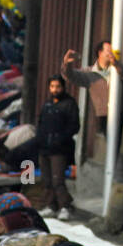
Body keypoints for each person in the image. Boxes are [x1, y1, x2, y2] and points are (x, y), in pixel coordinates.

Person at [61, 40, 123, 161]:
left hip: (122, 111)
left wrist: (116, 64)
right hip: (104, 114)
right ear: (100, 53)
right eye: (108, 51)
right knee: (114, 146)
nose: (111, 54)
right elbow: (70, 76)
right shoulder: (90, 73)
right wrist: (67, 64)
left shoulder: (117, 68)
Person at [35, 74, 80, 219]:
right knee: (46, 180)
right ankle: (50, 205)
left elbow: (74, 126)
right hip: (44, 147)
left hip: (60, 149)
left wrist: (60, 139)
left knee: (58, 180)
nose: (55, 90)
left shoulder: (69, 104)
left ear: (63, 87)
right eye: (52, 87)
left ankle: (65, 206)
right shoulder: (47, 104)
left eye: (58, 87)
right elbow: (41, 123)